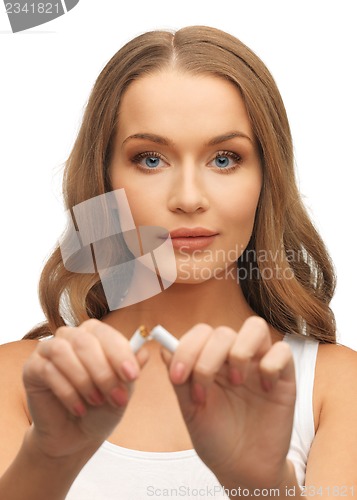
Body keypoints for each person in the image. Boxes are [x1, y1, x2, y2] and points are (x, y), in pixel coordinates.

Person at [0, 25, 356, 499]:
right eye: (150, 159)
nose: (188, 198)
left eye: (225, 159)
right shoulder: (19, 380)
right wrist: (49, 461)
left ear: (265, 179)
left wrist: (262, 485)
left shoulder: (335, 385)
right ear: (104, 180)